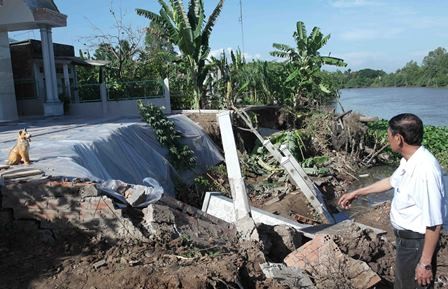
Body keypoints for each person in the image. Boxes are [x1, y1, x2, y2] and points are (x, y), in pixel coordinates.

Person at [338, 113, 445, 289]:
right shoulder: (410, 161)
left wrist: (424, 263)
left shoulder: (425, 170)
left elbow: (434, 223)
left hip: (417, 244)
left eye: (389, 136)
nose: (388, 140)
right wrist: (357, 192)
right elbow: (391, 181)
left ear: (399, 138)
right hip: (406, 243)